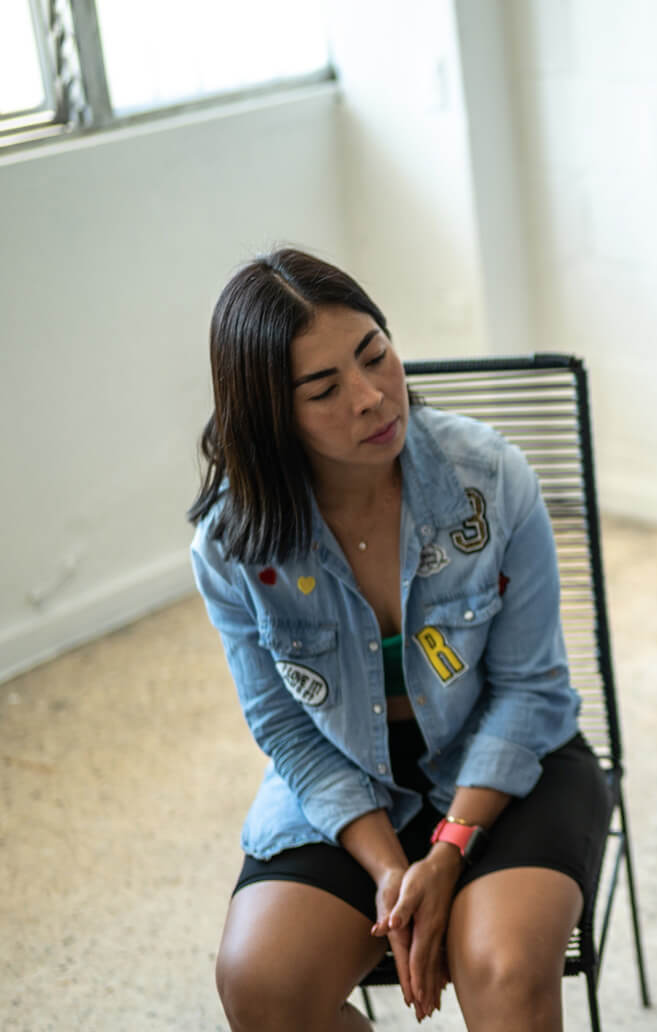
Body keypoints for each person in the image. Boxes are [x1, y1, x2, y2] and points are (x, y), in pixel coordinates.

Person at [189, 249, 611, 1032]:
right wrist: (391, 868)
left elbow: (531, 690)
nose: (373, 396)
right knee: (260, 985)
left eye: (375, 353)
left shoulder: (490, 478)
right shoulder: (231, 543)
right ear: (269, 415)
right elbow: (283, 725)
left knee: (506, 970)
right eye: (324, 389)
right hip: (346, 778)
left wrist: (445, 854)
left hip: (507, 764)